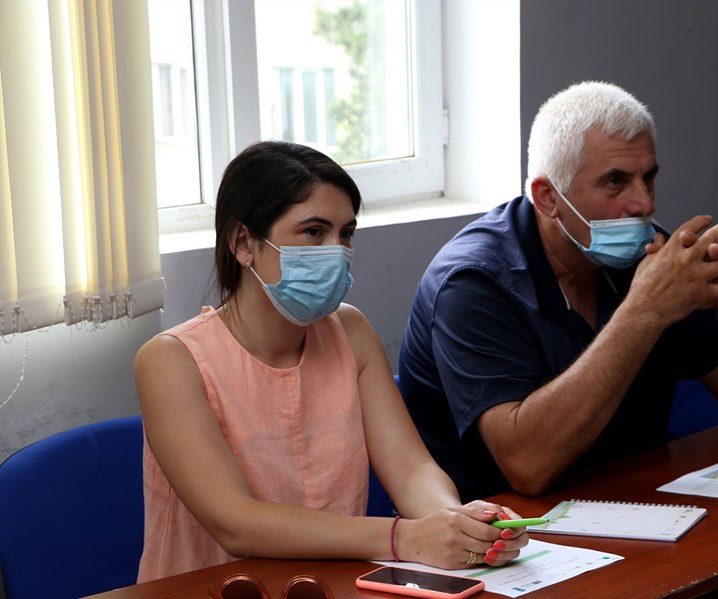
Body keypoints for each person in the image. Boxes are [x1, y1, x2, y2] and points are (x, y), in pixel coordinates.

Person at [134, 141, 528, 581]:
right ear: (244, 243)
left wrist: (458, 523)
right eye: (314, 232)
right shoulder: (171, 360)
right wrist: (406, 538)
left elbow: (412, 470)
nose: (336, 251)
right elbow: (236, 524)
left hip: (335, 584)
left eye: (345, 234)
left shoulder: (350, 331)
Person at [398, 81, 718, 501]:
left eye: (648, 178)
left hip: (636, 501)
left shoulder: (644, 254)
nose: (644, 204)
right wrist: (644, 311)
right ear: (548, 198)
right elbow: (527, 466)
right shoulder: (472, 282)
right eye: (616, 182)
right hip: (505, 527)